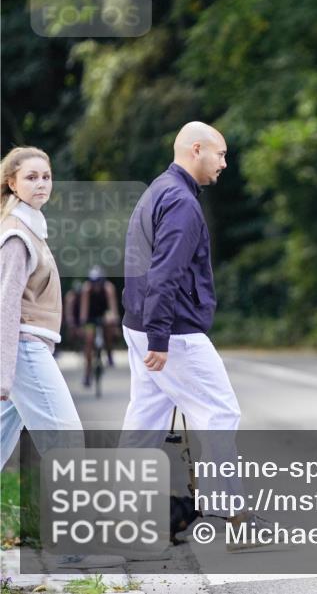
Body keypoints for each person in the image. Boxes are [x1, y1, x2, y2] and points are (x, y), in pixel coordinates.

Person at [119, 122, 268, 546]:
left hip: (141, 324)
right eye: (219, 154)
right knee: (220, 412)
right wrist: (161, 337)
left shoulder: (157, 190)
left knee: (145, 421)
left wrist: (149, 330)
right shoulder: (182, 202)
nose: (224, 163)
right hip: (173, 331)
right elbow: (165, 273)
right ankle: (232, 517)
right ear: (196, 149)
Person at [1, 146, 122, 569]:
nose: (40, 184)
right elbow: (5, 303)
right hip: (25, 350)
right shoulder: (16, 234)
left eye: (46, 177)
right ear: (12, 182)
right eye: (31, 177)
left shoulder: (32, 228)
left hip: (28, 348)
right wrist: (4, 370)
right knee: (65, 436)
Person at [80, 265, 120, 385]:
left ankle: (109, 352)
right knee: (89, 340)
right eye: (94, 283)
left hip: (104, 314)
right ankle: (87, 373)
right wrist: (83, 323)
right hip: (91, 316)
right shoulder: (86, 289)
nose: (96, 285)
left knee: (109, 325)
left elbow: (113, 308)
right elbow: (84, 309)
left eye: (98, 282)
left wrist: (114, 321)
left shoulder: (108, 288)